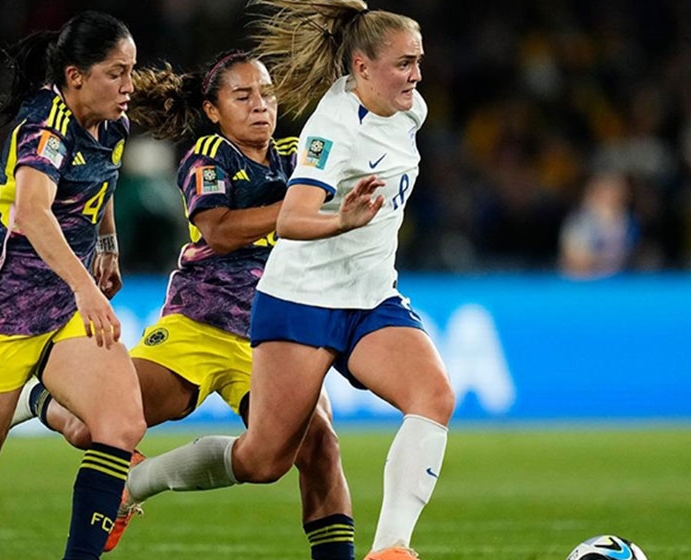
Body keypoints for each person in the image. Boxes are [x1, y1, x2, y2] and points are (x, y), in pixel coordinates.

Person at [113, 2, 457, 559]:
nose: (416, 75)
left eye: (418, 61)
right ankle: (136, 483)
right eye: (404, 63)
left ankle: (390, 548)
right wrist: (342, 220)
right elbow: (294, 218)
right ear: (362, 68)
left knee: (434, 396)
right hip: (301, 302)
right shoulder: (332, 130)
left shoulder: (409, 109)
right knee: (264, 459)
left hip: (371, 297)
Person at [14, 50, 355, 559]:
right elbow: (218, 231)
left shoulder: (298, 155)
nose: (260, 106)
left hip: (273, 336)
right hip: (199, 326)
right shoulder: (208, 156)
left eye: (266, 94)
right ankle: (39, 397)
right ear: (213, 111)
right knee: (96, 426)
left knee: (317, 448)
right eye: (243, 96)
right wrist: (295, 206)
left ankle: (137, 485)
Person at [0, 11, 146, 560]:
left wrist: (107, 245)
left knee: (117, 425)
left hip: (62, 312)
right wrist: (86, 287)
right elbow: (33, 214)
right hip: (1, 315)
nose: (129, 86)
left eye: (131, 71)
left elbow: (103, 182)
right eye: (117, 73)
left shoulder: (113, 123)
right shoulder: (45, 130)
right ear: (76, 76)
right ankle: (35, 395)